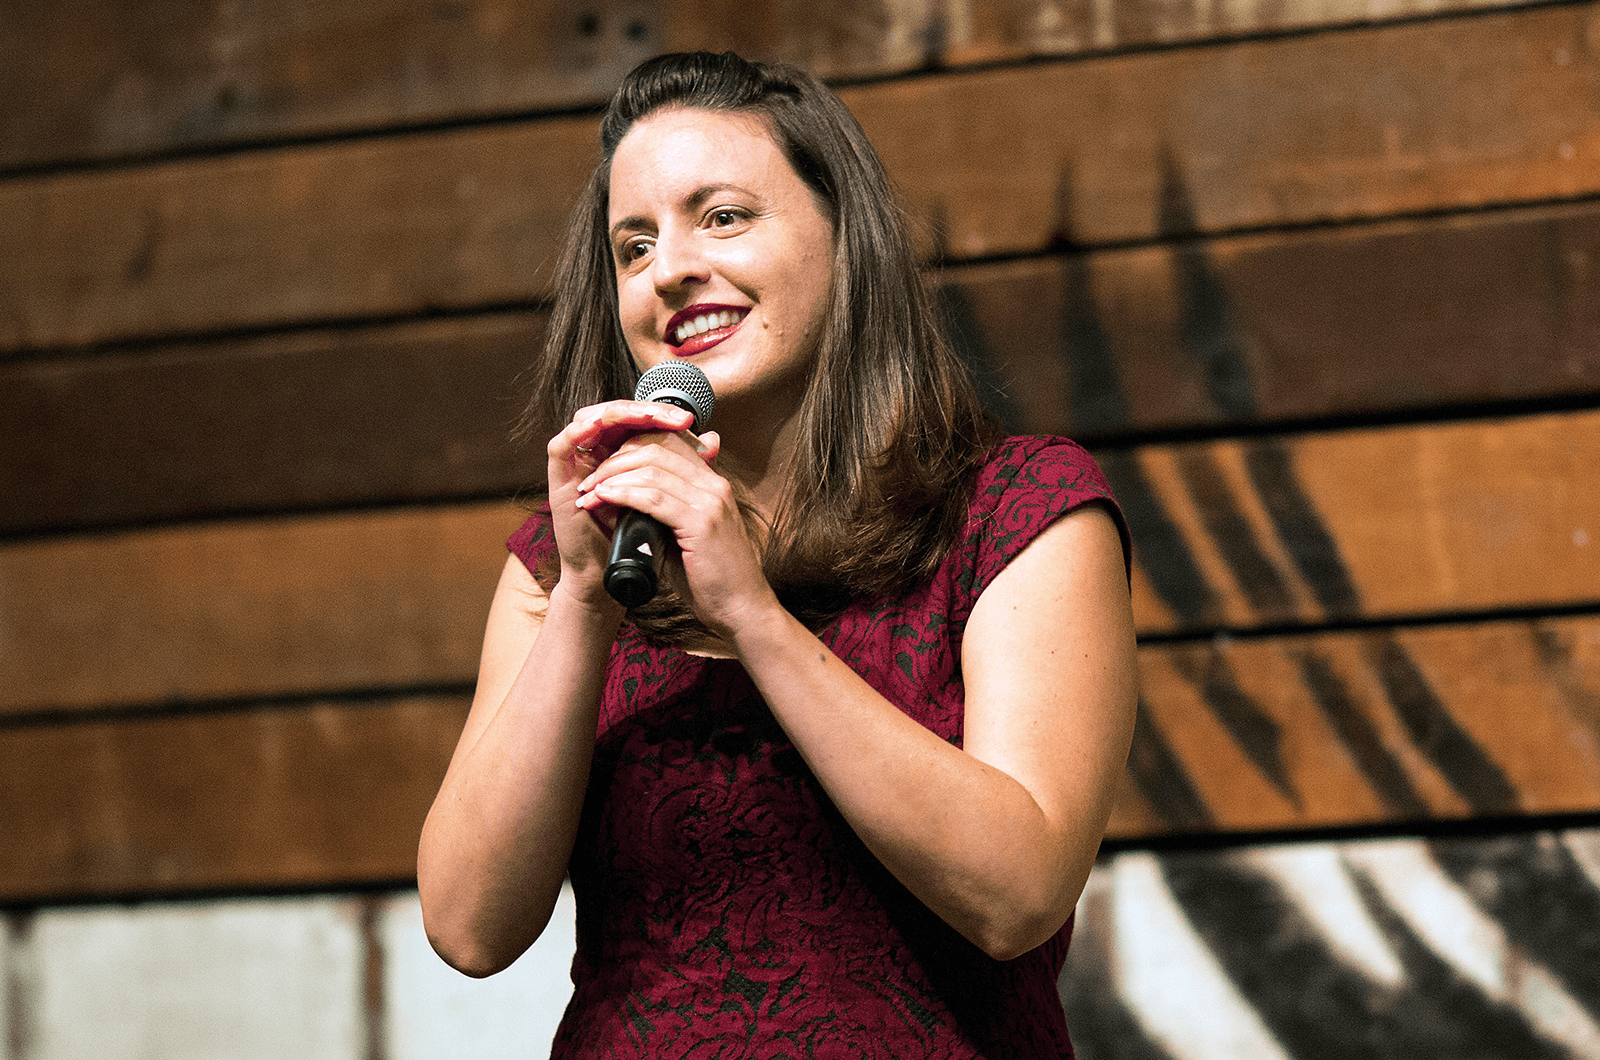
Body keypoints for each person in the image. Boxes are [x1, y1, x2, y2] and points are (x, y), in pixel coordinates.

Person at [417, 51, 1138, 1058]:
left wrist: (751, 615)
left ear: (845, 239)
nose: (668, 267)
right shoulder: (572, 554)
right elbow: (467, 927)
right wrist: (585, 597)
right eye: (632, 246)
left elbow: (1014, 893)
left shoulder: (1014, 511)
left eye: (722, 217)